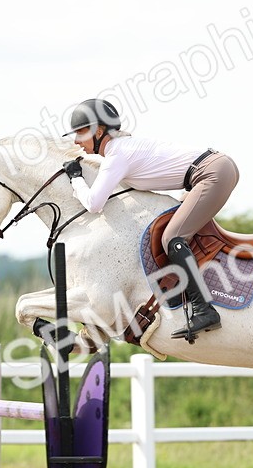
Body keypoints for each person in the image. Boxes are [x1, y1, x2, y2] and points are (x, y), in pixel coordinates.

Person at [62, 98, 240, 340]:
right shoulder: (120, 151)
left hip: (211, 173)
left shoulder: (118, 155)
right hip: (211, 170)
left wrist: (75, 178)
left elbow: (94, 204)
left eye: (80, 132)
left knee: (173, 237)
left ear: (99, 131)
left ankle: (204, 310)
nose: (75, 141)